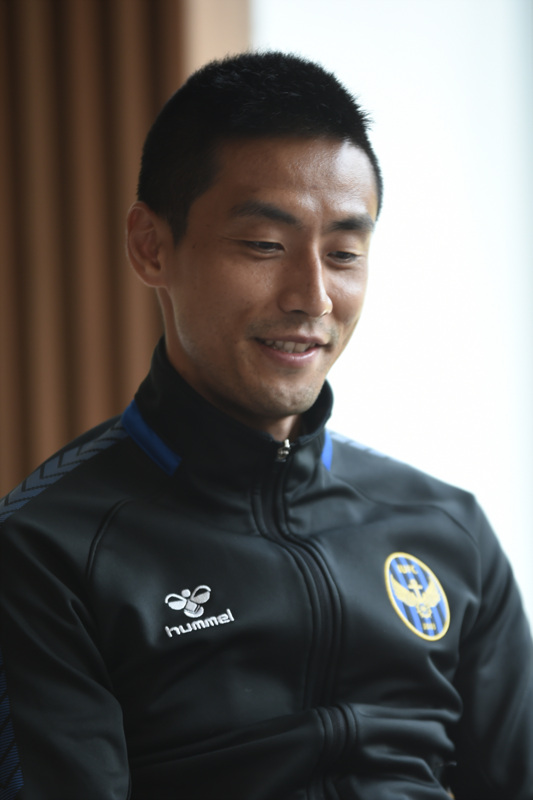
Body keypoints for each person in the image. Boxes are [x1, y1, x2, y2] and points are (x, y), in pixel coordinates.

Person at [0, 51, 531, 800]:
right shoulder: (46, 551)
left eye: (343, 253)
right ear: (151, 245)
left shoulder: (448, 529)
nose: (313, 296)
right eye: (264, 245)